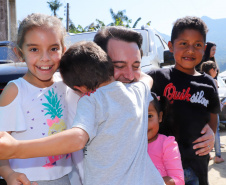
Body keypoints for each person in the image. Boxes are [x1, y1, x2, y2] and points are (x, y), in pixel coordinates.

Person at [0, 41, 165, 185]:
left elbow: (77, 138)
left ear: (80, 89)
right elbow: (146, 79)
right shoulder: (136, 91)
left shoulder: (91, 101)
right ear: (109, 67)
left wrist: (17, 148)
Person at [93, 26, 216, 157]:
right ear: (98, 65)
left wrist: (210, 133)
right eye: (119, 66)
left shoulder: (145, 87)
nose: (129, 75)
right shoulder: (84, 104)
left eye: (136, 66)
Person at [0, 13, 82, 185]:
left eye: (53, 49)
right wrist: (8, 174)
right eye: (34, 49)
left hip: (67, 178)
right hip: (28, 181)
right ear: (19, 53)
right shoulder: (15, 90)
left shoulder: (67, 85)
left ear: (63, 51)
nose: (45, 58)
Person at [148, 16, 221, 185]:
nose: (190, 50)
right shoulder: (157, 77)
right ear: (171, 46)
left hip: (197, 164)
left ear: (204, 49)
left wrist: (211, 133)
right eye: (183, 44)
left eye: (197, 45)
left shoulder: (208, 83)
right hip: (163, 168)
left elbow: (213, 116)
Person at [147, 93, 184, 185]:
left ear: (159, 117)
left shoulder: (166, 144)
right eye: (137, 117)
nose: (144, 123)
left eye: (149, 116)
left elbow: (178, 179)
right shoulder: (127, 145)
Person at [201, 61, 224, 164]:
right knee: (216, 131)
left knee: (204, 132)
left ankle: (207, 154)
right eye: (216, 70)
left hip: (202, 111)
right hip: (212, 111)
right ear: (211, 70)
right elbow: (215, 98)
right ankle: (218, 156)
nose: (216, 72)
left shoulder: (199, 79)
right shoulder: (214, 81)